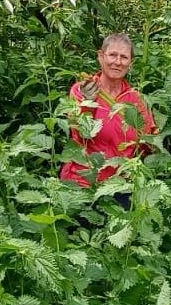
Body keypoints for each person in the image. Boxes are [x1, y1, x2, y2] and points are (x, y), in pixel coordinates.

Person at [60, 33, 157, 197]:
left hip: (120, 185)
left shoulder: (136, 98)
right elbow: (80, 133)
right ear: (100, 56)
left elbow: (148, 141)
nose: (117, 62)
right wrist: (87, 104)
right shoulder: (82, 89)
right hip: (82, 183)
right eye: (112, 55)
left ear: (130, 63)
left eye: (124, 57)